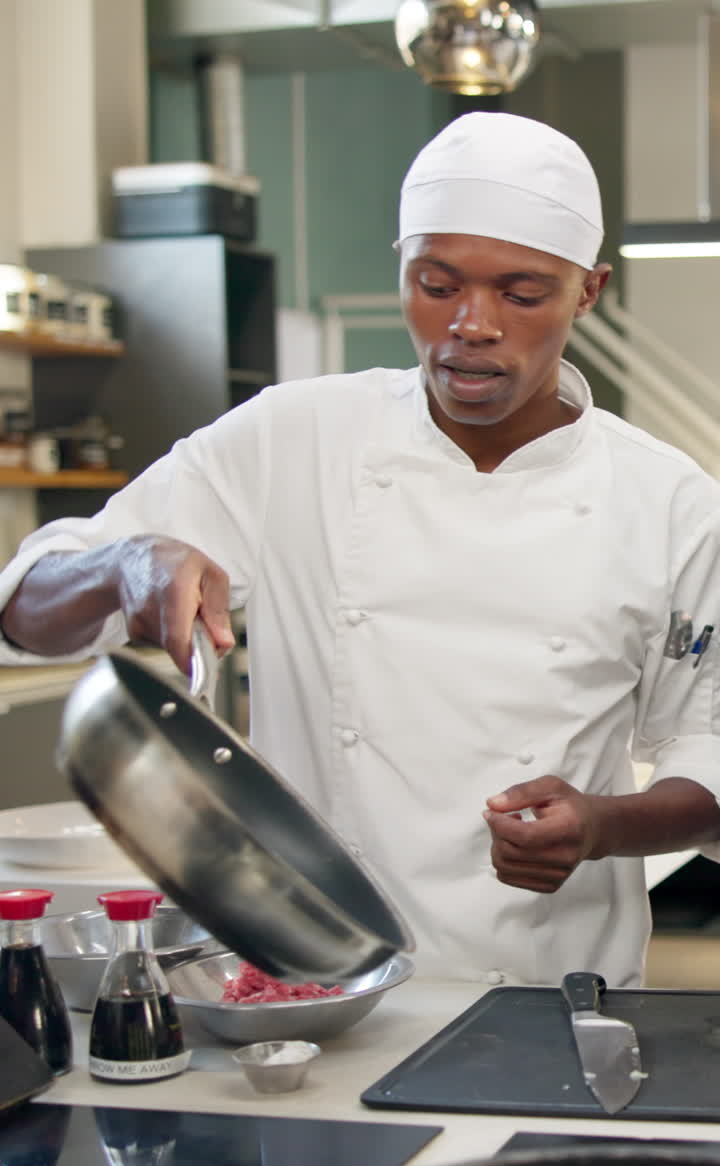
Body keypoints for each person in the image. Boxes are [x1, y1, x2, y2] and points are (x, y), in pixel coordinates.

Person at [1, 111, 720, 988]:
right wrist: (122, 563)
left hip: (552, 991)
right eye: (436, 283)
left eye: (522, 294)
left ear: (589, 290)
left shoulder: (669, 499)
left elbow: (708, 744)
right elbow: (24, 611)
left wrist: (603, 826)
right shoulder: (292, 438)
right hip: (312, 985)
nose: (471, 324)